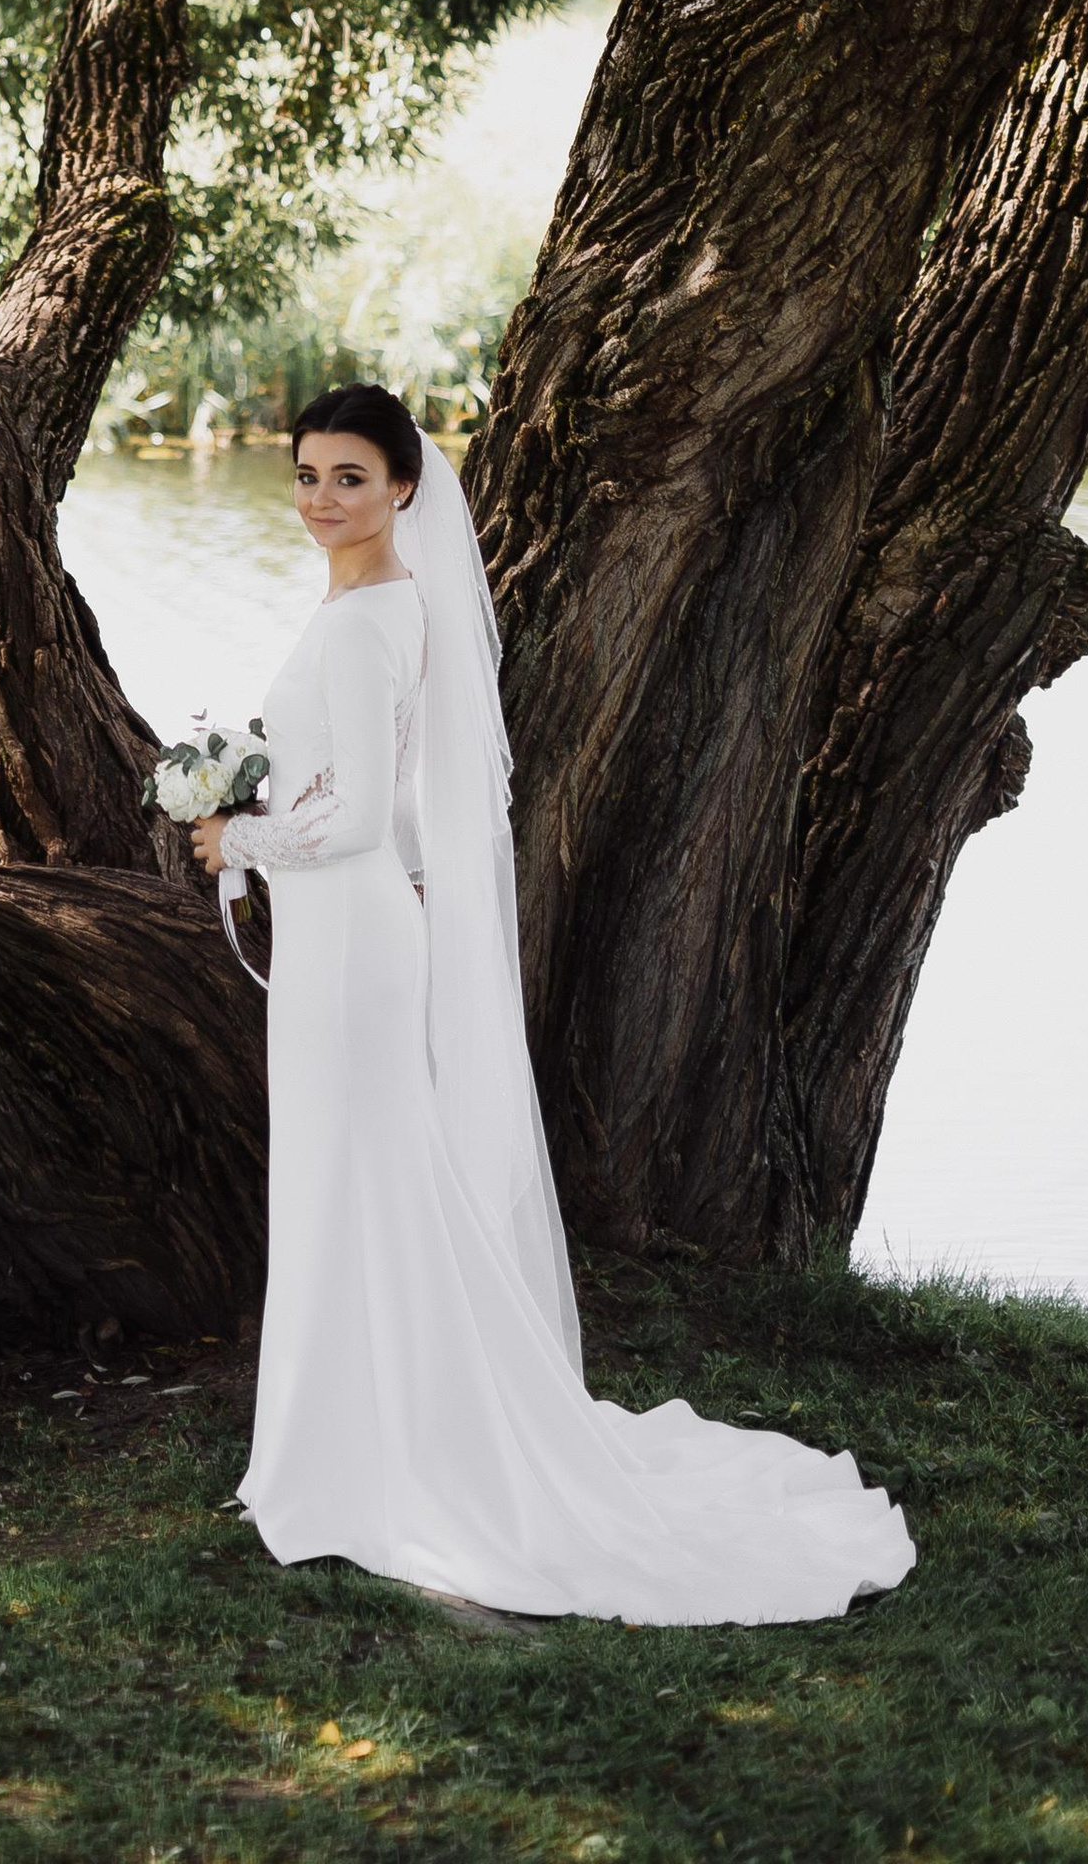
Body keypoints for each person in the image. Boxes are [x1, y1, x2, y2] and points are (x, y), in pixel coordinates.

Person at [189, 382, 914, 1625]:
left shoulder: (370, 622)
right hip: (348, 935)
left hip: (353, 945)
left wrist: (236, 837)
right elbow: (393, 808)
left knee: (361, 1177)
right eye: (306, 474)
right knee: (349, 1177)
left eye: (349, 477)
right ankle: (347, 1442)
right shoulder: (376, 602)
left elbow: (359, 817)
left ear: (404, 486)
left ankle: (372, 1457)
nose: (321, 499)